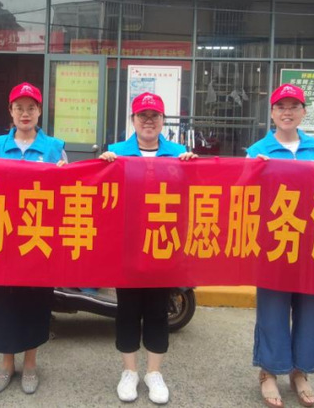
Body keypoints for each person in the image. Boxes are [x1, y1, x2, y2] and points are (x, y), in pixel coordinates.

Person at [99, 92, 197, 405]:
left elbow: (194, 194)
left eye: (155, 115)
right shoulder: (116, 152)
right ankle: (129, 371)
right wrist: (103, 167)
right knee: (127, 310)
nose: (149, 121)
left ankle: (154, 373)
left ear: (163, 120)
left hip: (164, 246)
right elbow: (102, 196)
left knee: (157, 310)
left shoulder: (179, 154)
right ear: (133, 120)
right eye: (143, 115)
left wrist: (194, 167)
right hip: (127, 247)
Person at [0, 82, 67, 395]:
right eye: (19, 108)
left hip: (38, 239)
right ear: (10, 112)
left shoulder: (54, 148)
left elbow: (68, 192)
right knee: (2, 302)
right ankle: (5, 365)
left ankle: (30, 365)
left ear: (39, 112)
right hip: (2, 238)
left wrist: (65, 173)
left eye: (31, 108)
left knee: (34, 302)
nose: (25, 114)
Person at [247, 83, 314, 408]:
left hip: (312, 244)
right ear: (271, 113)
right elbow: (239, 192)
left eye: (293, 107)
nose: (287, 112)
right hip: (273, 244)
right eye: (281, 107)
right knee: (272, 310)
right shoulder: (258, 151)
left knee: (311, 311)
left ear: (303, 112)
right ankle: (269, 372)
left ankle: (300, 372)